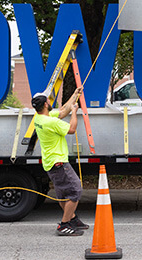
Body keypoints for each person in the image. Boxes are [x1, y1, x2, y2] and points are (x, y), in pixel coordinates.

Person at [31, 87, 89, 236]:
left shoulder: (40, 118)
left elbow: (63, 111)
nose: (50, 101)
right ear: (45, 104)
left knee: (63, 194)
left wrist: (75, 95)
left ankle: (73, 218)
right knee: (75, 191)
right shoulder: (50, 122)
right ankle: (64, 225)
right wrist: (75, 112)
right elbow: (71, 129)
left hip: (51, 162)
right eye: (48, 100)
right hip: (59, 163)